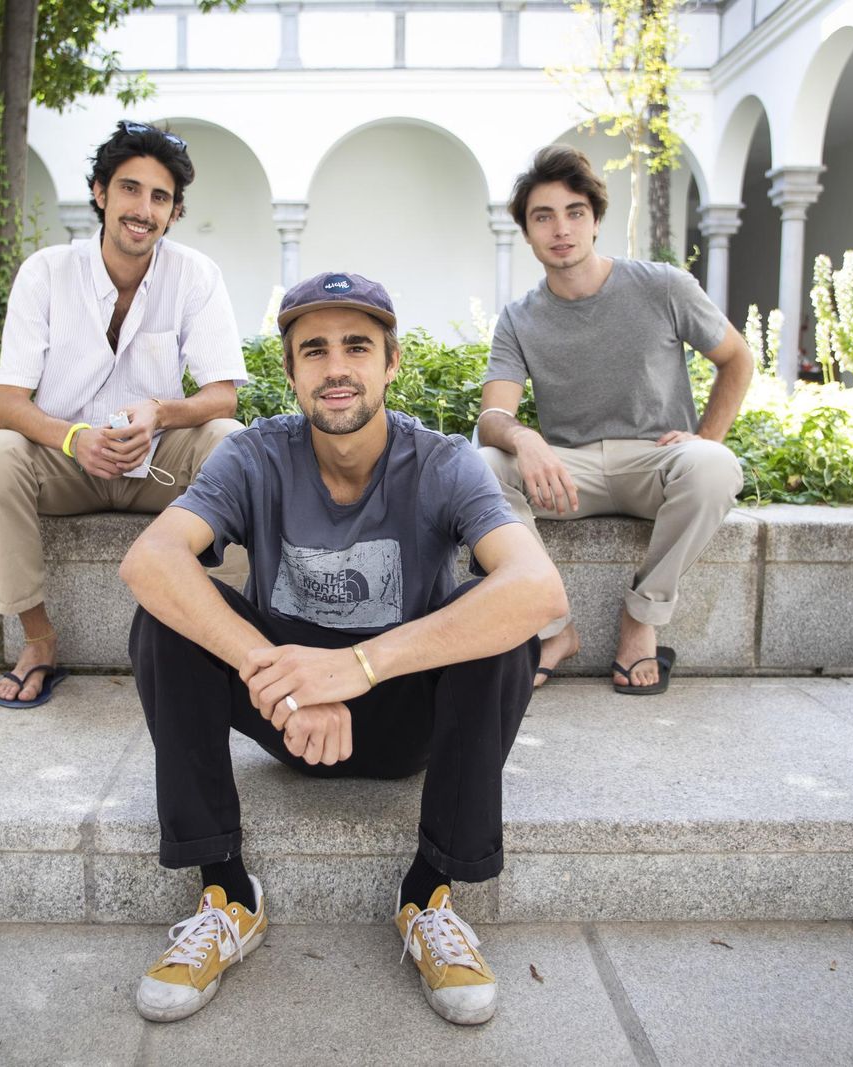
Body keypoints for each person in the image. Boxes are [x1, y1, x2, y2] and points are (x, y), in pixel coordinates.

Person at [119, 272, 565, 1025]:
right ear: (290, 372)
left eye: (357, 346)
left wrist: (356, 667)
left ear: (391, 364)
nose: (336, 367)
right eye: (313, 349)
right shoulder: (256, 455)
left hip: (402, 716)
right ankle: (227, 891)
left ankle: (430, 893)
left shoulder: (441, 461)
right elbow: (149, 561)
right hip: (285, 709)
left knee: (499, 627)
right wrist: (292, 682)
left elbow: (539, 589)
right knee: (163, 618)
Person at [0, 121, 248, 708]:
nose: (143, 209)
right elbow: (7, 403)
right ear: (100, 193)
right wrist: (73, 440)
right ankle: (38, 641)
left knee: (231, 442)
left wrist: (160, 412)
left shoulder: (195, 274)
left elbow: (223, 395)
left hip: (160, 469)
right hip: (66, 466)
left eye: (160, 197)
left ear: (173, 213)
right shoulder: (44, 272)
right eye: (130, 189)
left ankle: (223, 638)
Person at [478, 145, 754, 695]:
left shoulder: (663, 286)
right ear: (527, 234)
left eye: (574, 212)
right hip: (569, 474)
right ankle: (554, 627)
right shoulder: (519, 318)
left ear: (596, 220)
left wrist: (704, 438)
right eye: (543, 217)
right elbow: (492, 416)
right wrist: (524, 437)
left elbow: (737, 358)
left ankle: (642, 619)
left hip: (654, 460)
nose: (561, 229)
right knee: (480, 466)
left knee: (716, 467)